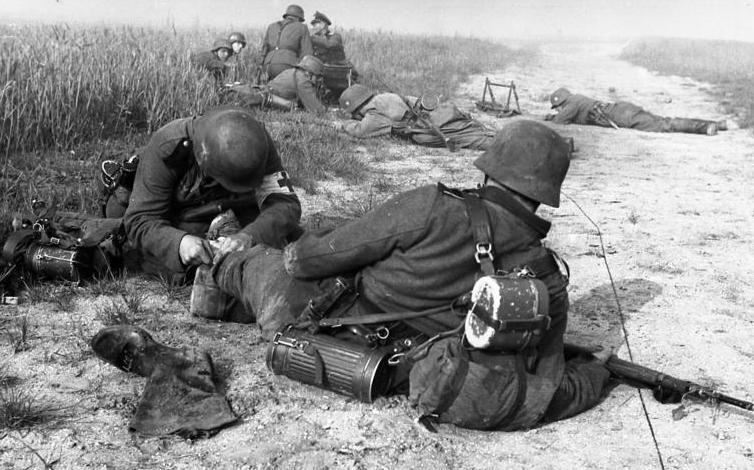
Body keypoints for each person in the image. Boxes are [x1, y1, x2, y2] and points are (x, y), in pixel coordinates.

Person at [186, 120, 610, 430]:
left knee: (256, 261)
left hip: (314, 324)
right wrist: (597, 372)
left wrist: (307, 242)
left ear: (489, 169)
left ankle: (217, 278)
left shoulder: (434, 206)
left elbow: (304, 263)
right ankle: (231, 300)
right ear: (544, 195)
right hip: (393, 373)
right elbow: (549, 382)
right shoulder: (547, 278)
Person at [123, 107, 301, 281]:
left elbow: (285, 204)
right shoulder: (169, 146)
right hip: (178, 216)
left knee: (287, 241)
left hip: (232, 209)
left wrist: (249, 236)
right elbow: (139, 220)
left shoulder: (255, 141)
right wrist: (180, 243)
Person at [337, 84, 495, 150]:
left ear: (357, 108)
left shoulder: (373, 115)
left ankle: (498, 143)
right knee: (471, 128)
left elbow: (360, 131)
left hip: (430, 130)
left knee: (471, 140)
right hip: (442, 113)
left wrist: (345, 124)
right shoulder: (386, 96)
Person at [547, 87, 726, 135]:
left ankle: (705, 128)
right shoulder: (577, 99)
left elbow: (559, 121)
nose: (559, 110)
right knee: (665, 121)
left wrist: (547, 117)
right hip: (622, 110)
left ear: (562, 103)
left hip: (622, 116)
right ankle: (717, 124)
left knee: (664, 125)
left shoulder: (571, 104)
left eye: (558, 107)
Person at [309, 11, 359, 100]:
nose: (313, 27)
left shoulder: (335, 36)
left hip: (339, 70)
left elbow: (330, 44)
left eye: (315, 24)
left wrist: (313, 39)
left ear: (323, 25)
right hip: (324, 71)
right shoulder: (315, 38)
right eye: (313, 25)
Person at [260, 4, 313, 80]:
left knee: (269, 86)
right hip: (287, 65)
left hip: (267, 66)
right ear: (298, 18)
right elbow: (307, 53)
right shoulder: (302, 27)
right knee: (290, 86)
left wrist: (261, 66)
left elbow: (264, 49)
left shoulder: (271, 26)